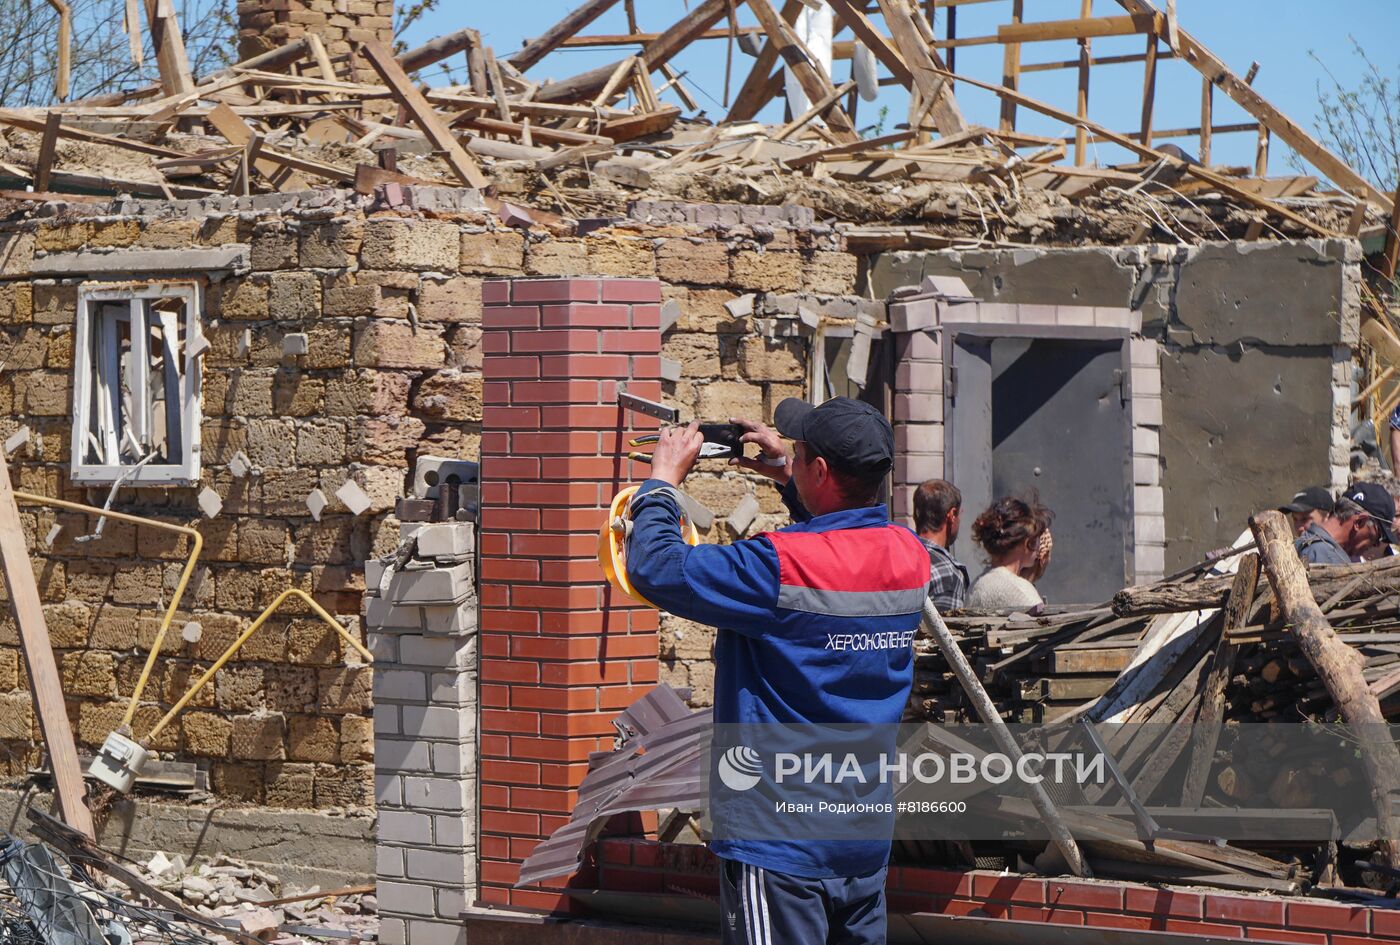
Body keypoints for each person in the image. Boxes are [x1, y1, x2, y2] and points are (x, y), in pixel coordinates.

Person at [627, 397, 931, 945]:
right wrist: (791, 479)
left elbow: (656, 567)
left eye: (800, 451)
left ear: (821, 470)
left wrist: (662, 482)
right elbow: (842, 546)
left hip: (781, 842)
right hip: (859, 836)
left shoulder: (777, 565)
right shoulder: (909, 556)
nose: (791, 453)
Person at [965, 496, 1054, 611]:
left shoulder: (976, 586)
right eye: (1036, 538)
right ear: (1025, 542)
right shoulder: (1021, 592)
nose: (1039, 545)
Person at [1296, 482, 1396, 565]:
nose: (1376, 545)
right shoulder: (1328, 558)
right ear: (1359, 522)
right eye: (1377, 537)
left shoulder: (1301, 542)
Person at [913, 479, 969, 612]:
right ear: (952, 515)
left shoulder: (897, 554)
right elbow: (944, 631)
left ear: (915, 515)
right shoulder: (948, 574)